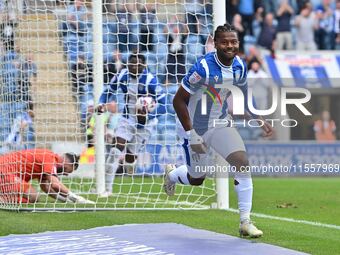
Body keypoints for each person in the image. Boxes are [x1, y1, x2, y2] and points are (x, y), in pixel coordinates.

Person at [164, 23, 273, 238]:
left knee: (241, 161)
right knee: (197, 178)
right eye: (224, 42)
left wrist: (258, 118)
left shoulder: (240, 66)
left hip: (220, 122)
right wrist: (192, 134)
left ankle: (245, 221)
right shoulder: (203, 68)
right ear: (216, 44)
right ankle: (172, 175)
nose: (229, 45)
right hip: (194, 125)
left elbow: (241, 97)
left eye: (233, 41)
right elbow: (178, 101)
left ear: (238, 43)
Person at [96, 52, 166, 196]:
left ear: (144, 65)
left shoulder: (150, 81)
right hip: (127, 119)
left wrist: (147, 116)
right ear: (128, 64)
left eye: (138, 64)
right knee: (115, 151)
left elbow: (164, 105)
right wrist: (101, 104)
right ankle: (106, 189)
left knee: (130, 158)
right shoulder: (122, 75)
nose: (134, 67)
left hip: (146, 124)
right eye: (132, 64)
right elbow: (108, 91)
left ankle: (129, 166)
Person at [0, 148, 94, 204]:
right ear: (65, 163)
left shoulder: (48, 164)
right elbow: (55, 185)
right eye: (66, 170)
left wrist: (65, 200)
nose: (65, 174)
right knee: (33, 196)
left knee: (32, 197)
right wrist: (77, 198)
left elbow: (45, 187)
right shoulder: (50, 158)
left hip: (8, 172)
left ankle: (4, 197)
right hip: (5, 170)